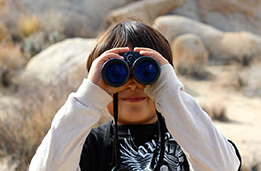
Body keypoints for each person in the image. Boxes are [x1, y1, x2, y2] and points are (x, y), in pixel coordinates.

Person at [29, 20, 241, 171]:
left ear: (165, 76)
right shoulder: (90, 144)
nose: (132, 85)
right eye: (116, 74)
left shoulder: (190, 136)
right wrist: (88, 98)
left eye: (147, 72)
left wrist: (169, 93)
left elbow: (223, 167)